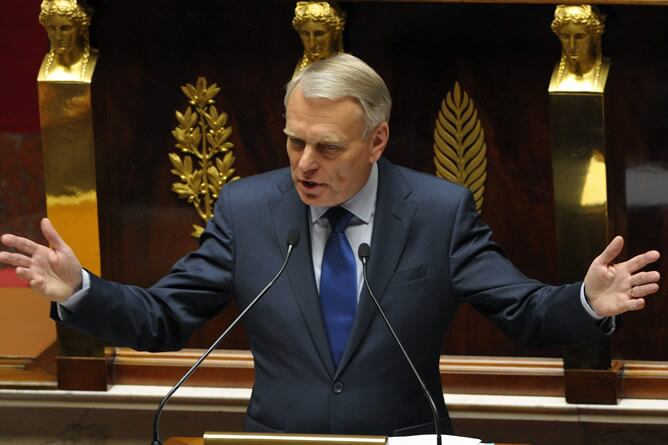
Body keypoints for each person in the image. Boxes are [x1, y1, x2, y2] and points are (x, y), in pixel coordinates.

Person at [0, 54, 661, 436]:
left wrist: (586, 301)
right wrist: (80, 290)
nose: (304, 163)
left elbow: (522, 309)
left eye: (327, 146)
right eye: (294, 140)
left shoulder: (437, 212)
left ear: (377, 141)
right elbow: (162, 316)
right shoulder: (246, 209)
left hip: (398, 441)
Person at [549, 4, 610, 92]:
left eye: (580, 37)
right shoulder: (550, 74)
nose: (572, 46)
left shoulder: (610, 72)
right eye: (565, 36)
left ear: (595, 36)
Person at [38, 0, 98, 82]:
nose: (58, 37)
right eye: (52, 28)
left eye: (65, 28)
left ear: (81, 28)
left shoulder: (94, 62)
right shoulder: (46, 69)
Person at [292, 2, 345, 77]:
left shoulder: (346, 70)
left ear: (335, 33)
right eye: (305, 34)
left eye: (319, 34)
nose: (312, 43)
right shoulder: (298, 67)